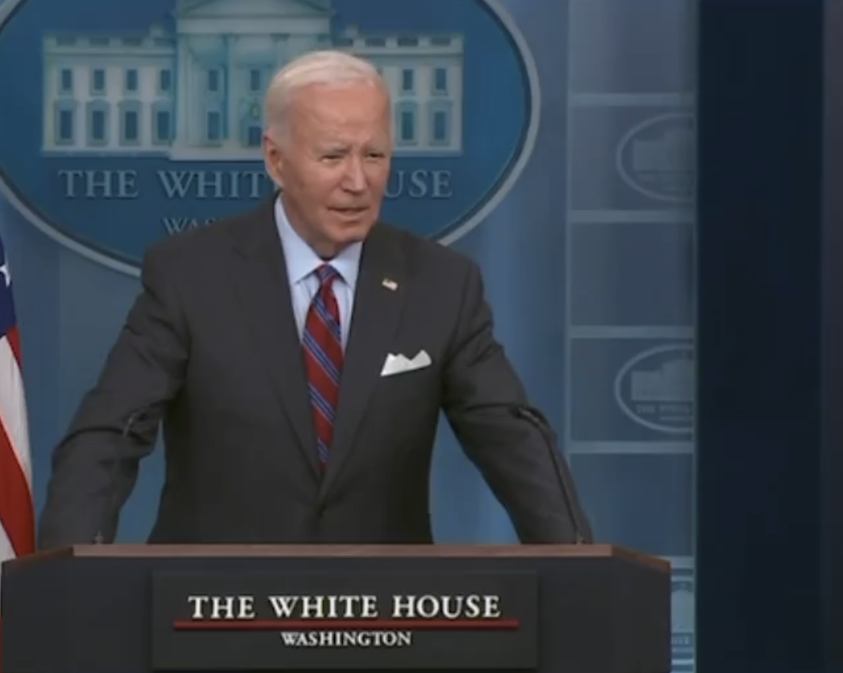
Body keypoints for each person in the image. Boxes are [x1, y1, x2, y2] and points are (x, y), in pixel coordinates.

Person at [37, 50, 594, 548]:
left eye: (374, 155)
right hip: (213, 606)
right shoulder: (191, 275)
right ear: (276, 159)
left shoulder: (440, 284)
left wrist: (578, 567)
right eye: (333, 157)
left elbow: (513, 440)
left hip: (384, 610)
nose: (358, 181)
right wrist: (70, 579)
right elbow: (110, 435)